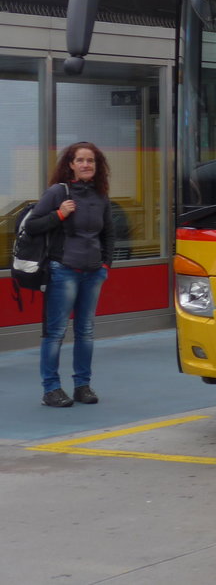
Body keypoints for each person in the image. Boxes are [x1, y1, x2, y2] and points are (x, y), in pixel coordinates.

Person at [25, 142, 115, 408]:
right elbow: (32, 226)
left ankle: (82, 386)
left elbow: (108, 233)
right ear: (71, 165)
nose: (86, 165)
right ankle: (51, 389)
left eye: (91, 161)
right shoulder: (58, 192)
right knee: (55, 333)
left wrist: (106, 264)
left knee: (85, 332)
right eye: (81, 160)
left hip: (93, 273)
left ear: (97, 166)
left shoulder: (100, 196)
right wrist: (59, 214)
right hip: (63, 271)